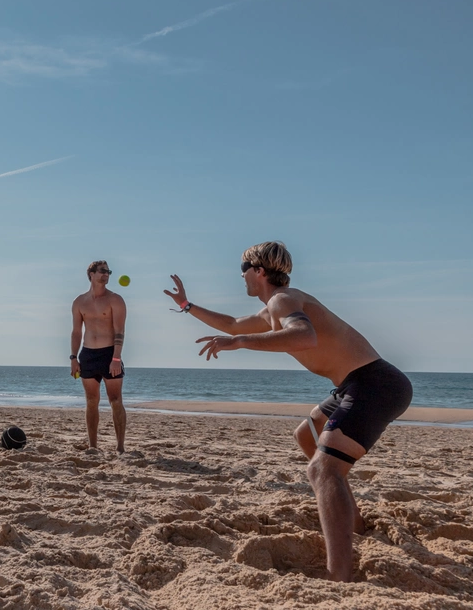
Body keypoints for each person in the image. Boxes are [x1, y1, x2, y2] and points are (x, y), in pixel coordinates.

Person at [164, 241, 412, 582]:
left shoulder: (284, 300)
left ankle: (339, 575)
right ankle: (354, 523)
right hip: (354, 385)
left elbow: (303, 336)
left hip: (374, 384)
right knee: (306, 435)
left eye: (243, 270)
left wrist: (239, 344)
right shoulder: (273, 308)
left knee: (322, 471)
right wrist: (187, 305)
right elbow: (234, 323)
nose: (241, 277)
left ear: (259, 271)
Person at [70, 260, 128, 453]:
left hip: (109, 353)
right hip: (87, 355)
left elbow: (120, 331)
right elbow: (76, 332)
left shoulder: (115, 299)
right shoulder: (79, 302)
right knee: (91, 401)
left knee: (115, 400)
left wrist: (116, 358)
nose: (107, 274)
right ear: (91, 274)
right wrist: (73, 358)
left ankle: (120, 447)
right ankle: (93, 446)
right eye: (103, 271)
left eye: (108, 272)